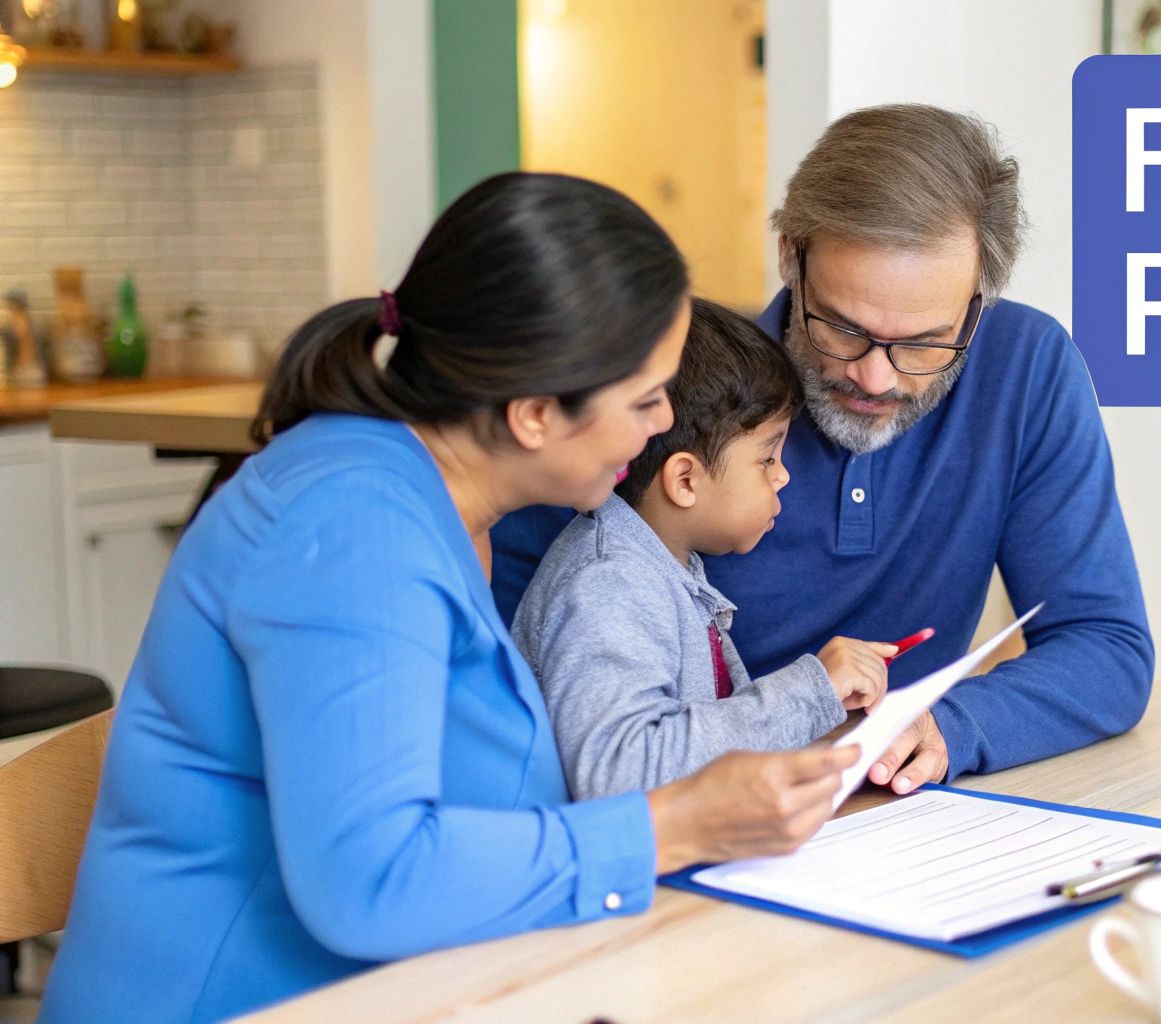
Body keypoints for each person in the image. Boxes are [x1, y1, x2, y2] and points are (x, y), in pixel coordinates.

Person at [40, 173, 856, 1024]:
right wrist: (673, 824)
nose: (661, 427)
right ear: (535, 412)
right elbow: (370, 879)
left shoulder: (429, 499)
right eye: (645, 399)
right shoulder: (356, 532)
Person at [491, 104, 1154, 798]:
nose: (876, 377)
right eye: (840, 327)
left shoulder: (1027, 368)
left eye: (926, 342)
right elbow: (520, 688)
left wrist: (947, 726)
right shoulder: (664, 403)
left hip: (881, 817)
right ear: (789, 255)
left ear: (978, 302)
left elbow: (1107, 649)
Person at [514, 298, 897, 799]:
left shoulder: (666, 567)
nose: (783, 476)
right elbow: (620, 775)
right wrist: (809, 691)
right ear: (686, 480)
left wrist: (830, 725)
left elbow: (710, 741)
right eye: (767, 458)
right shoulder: (611, 583)